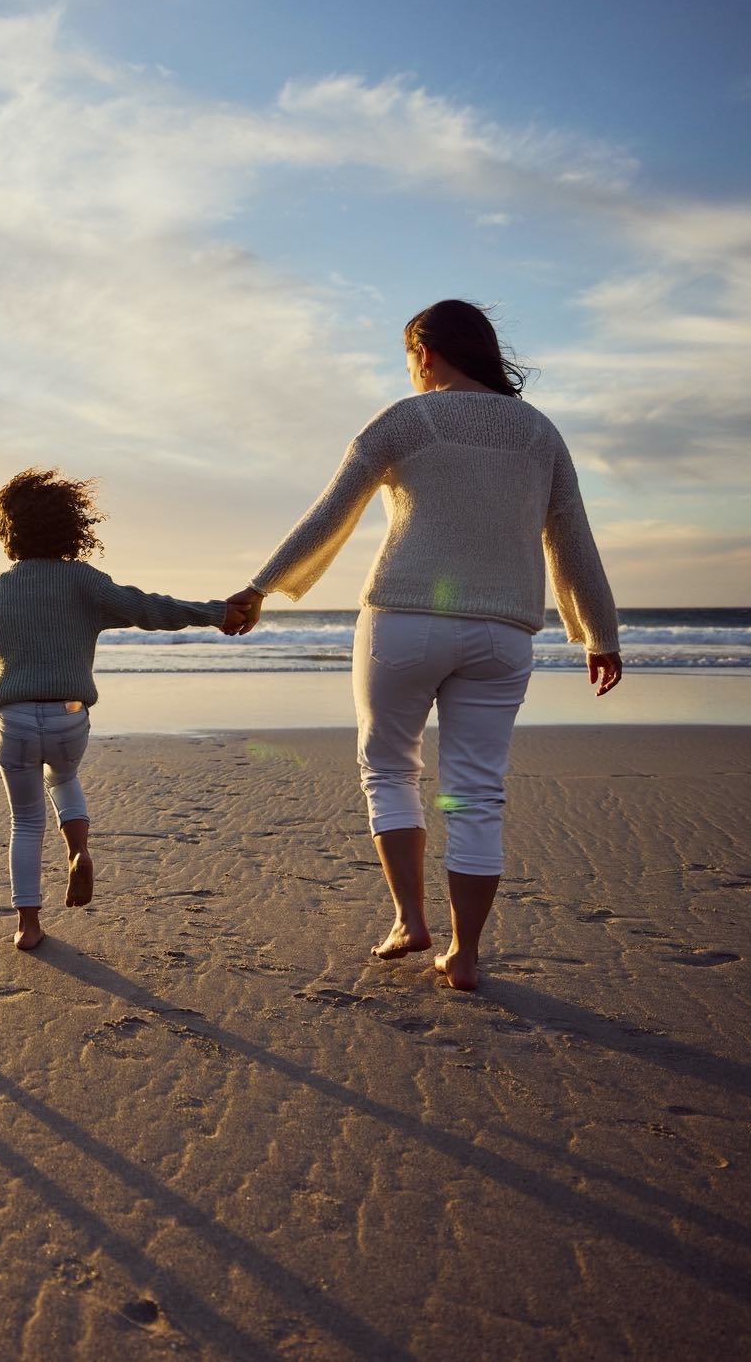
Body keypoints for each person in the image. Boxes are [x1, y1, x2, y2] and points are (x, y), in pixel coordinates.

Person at [223, 300, 622, 991]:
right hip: (503, 632)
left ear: (426, 353)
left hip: (403, 620)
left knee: (389, 769)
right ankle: (465, 957)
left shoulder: (408, 420)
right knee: (475, 791)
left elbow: (330, 512)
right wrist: (598, 634)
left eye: (410, 357)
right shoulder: (540, 434)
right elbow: (570, 538)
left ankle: (410, 920)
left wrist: (262, 586)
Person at [0, 470, 227, 951]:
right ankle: (78, 850)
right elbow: (151, 609)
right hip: (70, 716)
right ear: (70, 526)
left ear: (8, 530)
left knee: (25, 821)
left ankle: (28, 925)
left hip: (14, 720)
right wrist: (218, 613)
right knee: (64, 776)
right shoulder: (85, 582)